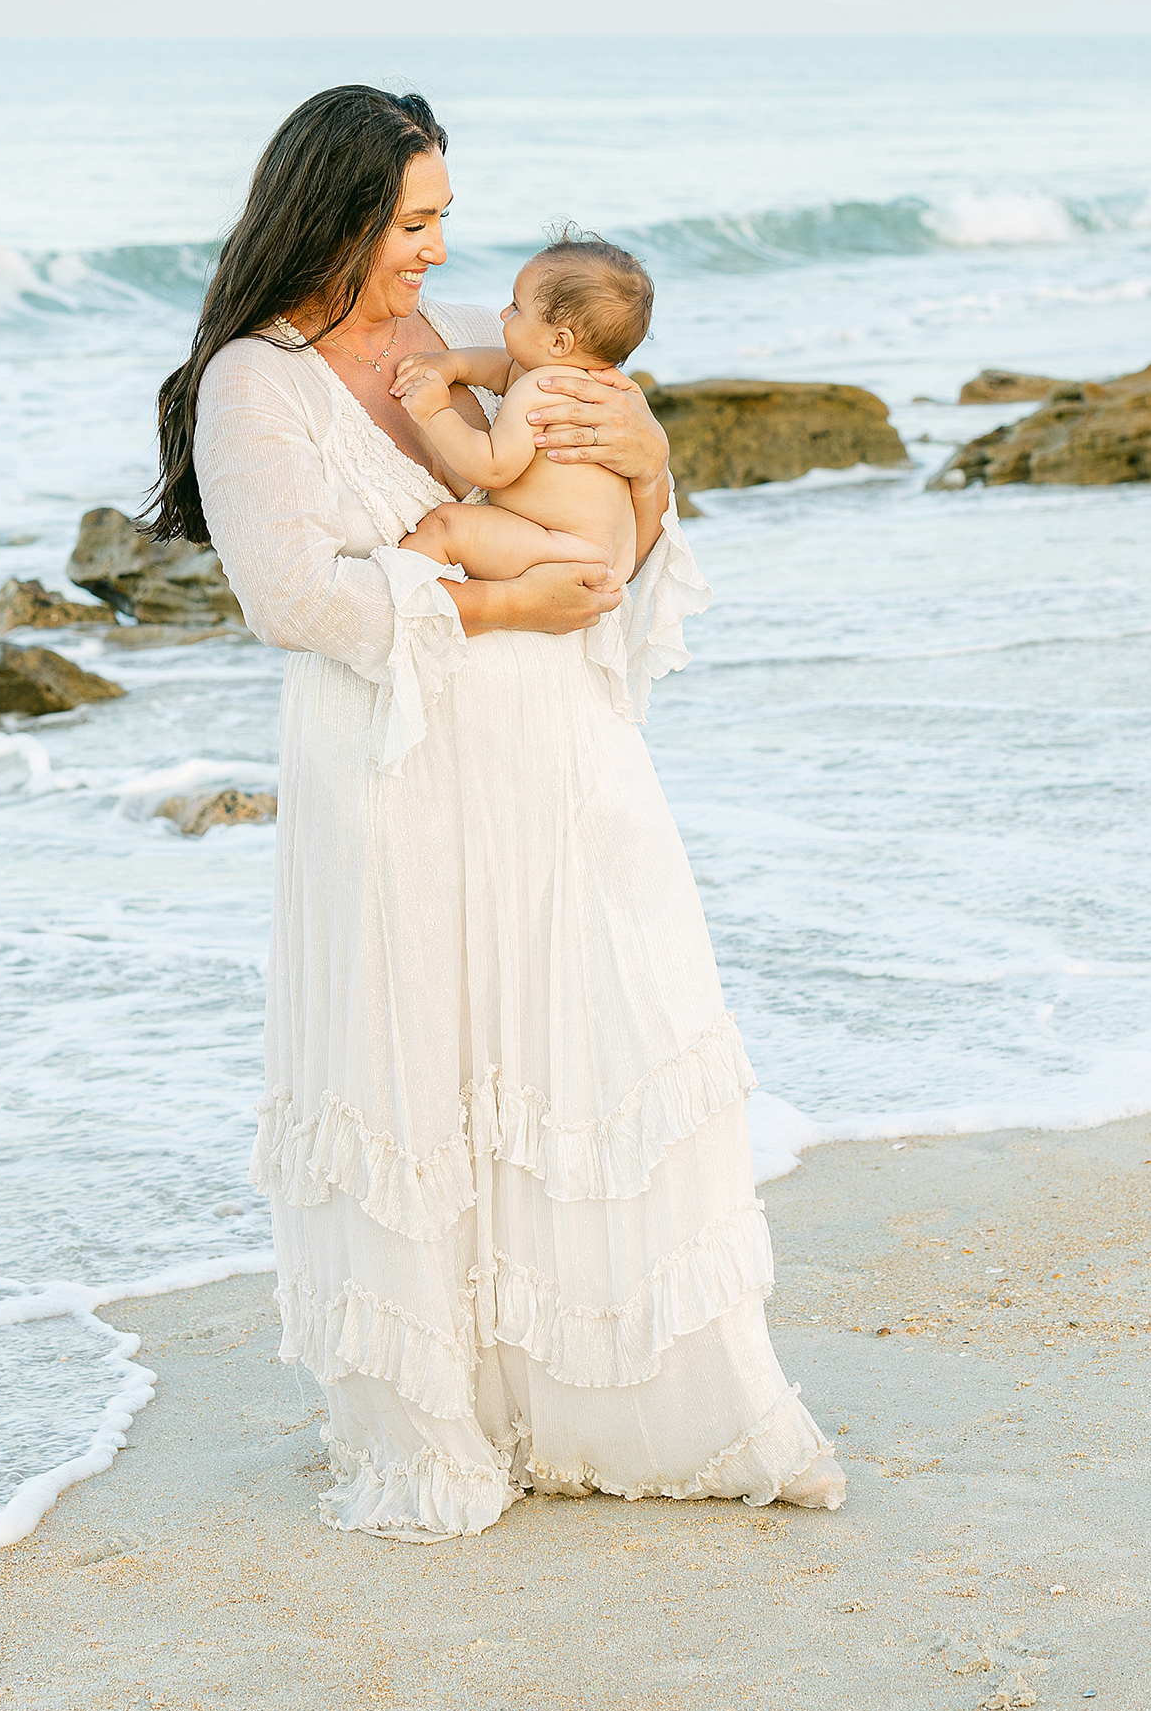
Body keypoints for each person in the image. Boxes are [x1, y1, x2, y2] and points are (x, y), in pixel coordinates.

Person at [149, 85, 845, 1540]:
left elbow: (591, 548)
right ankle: (442, 1421)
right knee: (418, 1064)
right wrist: (495, 601)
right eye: (414, 223)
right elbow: (292, 599)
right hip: (390, 770)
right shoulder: (250, 385)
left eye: (443, 220)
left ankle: (622, 1405)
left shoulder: (460, 352)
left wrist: (655, 475)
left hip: (553, 756)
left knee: (597, 1031)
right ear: (332, 214)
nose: (435, 253)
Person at [393, 231, 655, 586]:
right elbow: (501, 369)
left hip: (560, 550)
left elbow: (492, 469)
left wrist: (435, 413)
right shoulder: (599, 388)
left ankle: (390, 600)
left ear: (559, 341)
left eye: (516, 307)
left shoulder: (537, 390)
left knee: (445, 528)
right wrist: (452, 364)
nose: (503, 313)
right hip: (612, 556)